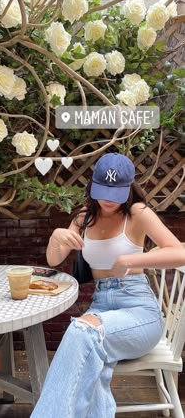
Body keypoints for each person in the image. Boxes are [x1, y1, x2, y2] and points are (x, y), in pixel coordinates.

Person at [31, 152, 185, 418]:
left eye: (116, 193)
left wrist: (133, 259)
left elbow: (180, 252)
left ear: (128, 189)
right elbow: (53, 260)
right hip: (101, 306)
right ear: (93, 186)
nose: (108, 200)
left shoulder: (137, 213)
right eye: (103, 191)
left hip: (139, 310)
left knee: (80, 333)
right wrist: (56, 238)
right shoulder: (83, 217)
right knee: (90, 357)